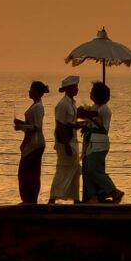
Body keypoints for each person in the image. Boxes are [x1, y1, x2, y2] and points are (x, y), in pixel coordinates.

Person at [80, 80, 123, 202]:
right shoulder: (98, 108)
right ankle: (94, 196)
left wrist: (89, 116)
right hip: (93, 142)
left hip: (99, 142)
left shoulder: (104, 109)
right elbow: (90, 118)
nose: (90, 95)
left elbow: (102, 126)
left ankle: (113, 191)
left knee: (94, 170)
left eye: (92, 93)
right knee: (88, 170)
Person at [51, 76, 84, 204]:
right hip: (66, 141)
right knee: (63, 169)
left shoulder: (71, 103)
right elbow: (60, 126)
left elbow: (70, 123)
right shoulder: (63, 104)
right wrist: (66, 145)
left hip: (73, 139)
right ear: (69, 88)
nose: (77, 89)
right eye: (75, 86)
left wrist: (80, 124)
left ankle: (76, 198)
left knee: (75, 169)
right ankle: (53, 197)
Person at [15, 80, 48, 205]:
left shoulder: (38, 107)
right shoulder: (36, 105)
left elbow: (36, 127)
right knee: (30, 171)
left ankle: (29, 198)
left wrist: (21, 126)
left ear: (37, 92)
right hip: (33, 142)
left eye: (32, 90)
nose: (29, 91)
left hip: (35, 143)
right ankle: (28, 198)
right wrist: (22, 123)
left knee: (27, 171)